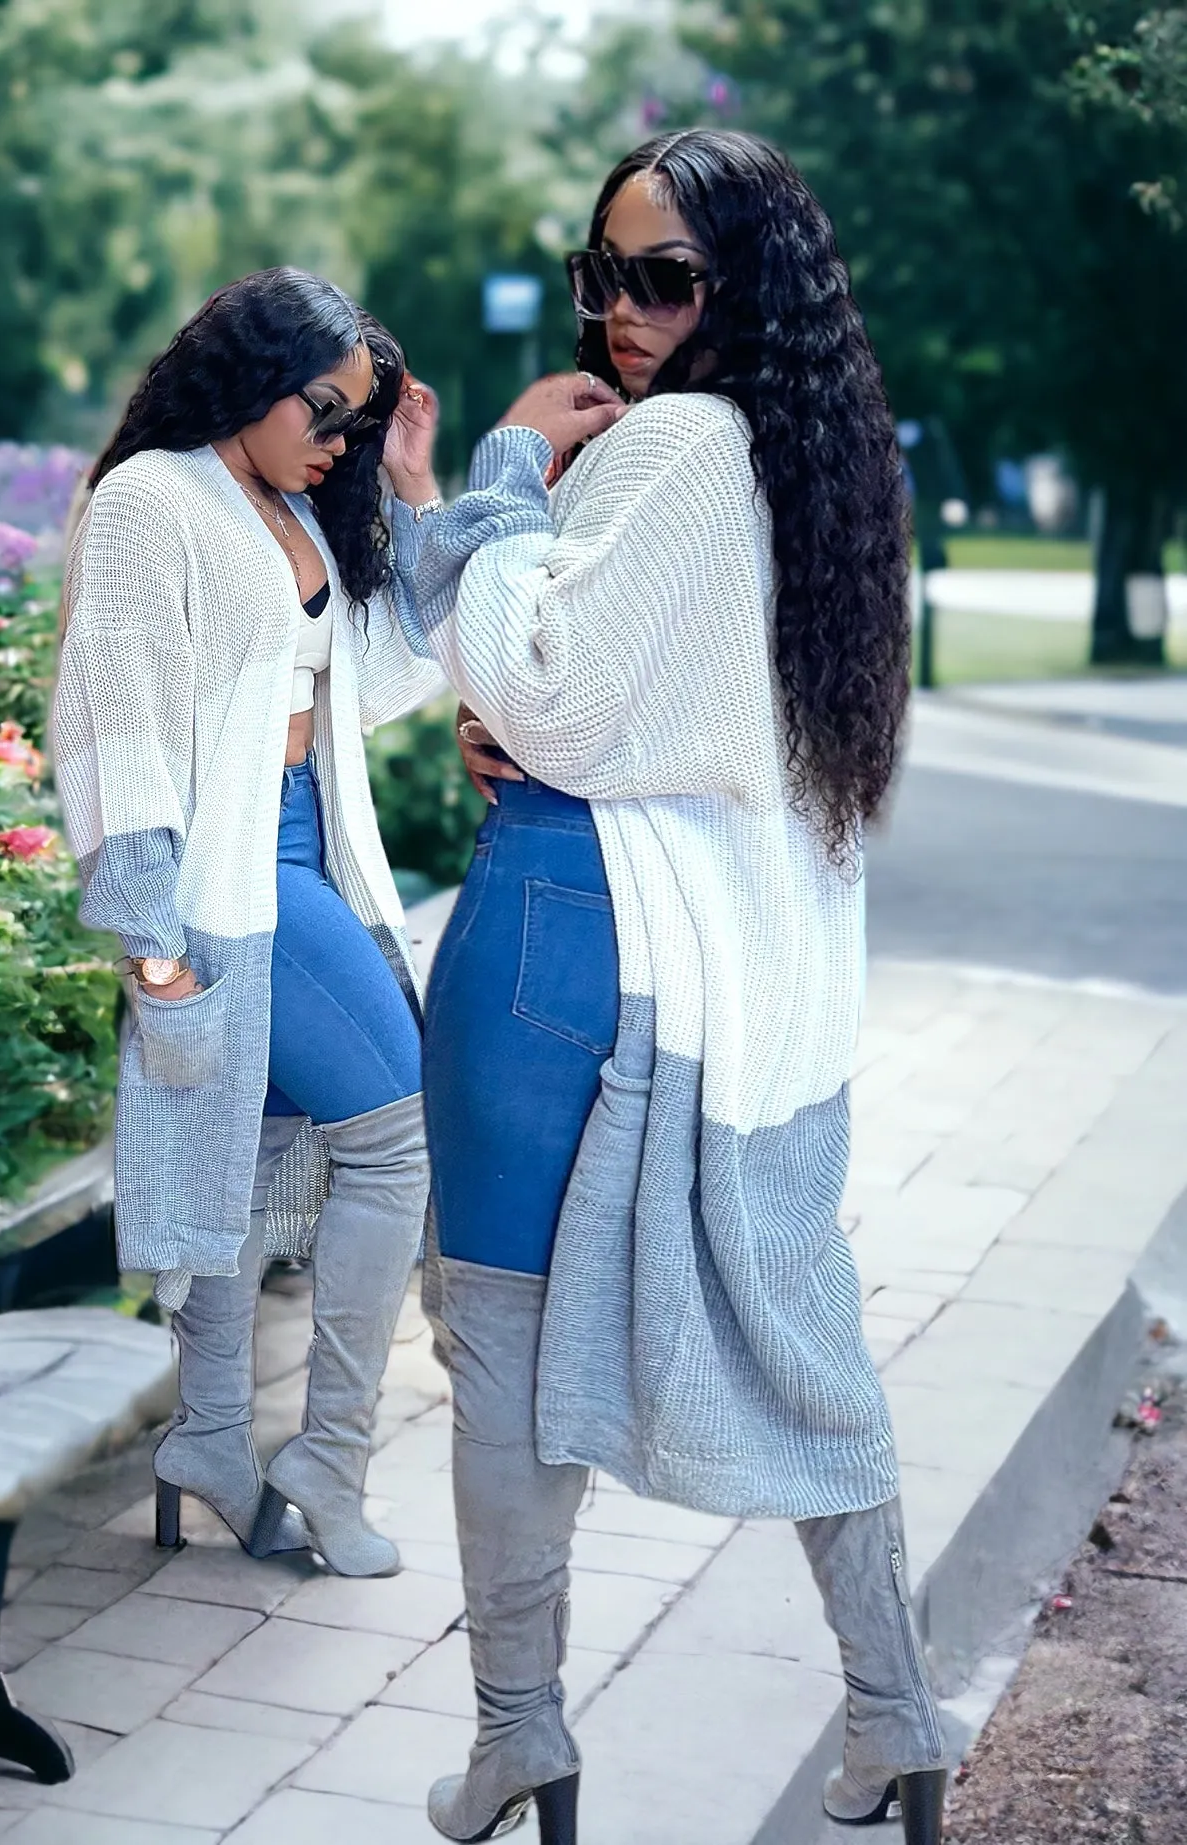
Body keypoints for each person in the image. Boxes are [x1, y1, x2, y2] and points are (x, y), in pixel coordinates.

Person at [400, 132, 947, 1843]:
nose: (623, 315)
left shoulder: (686, 450)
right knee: (803, 1333)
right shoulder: (816, 463)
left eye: (663, 280)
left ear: (744, 287)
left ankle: (522, 1738)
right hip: (691, 952)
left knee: (494, 1340)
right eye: (601, 276)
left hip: (563, 927)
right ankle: (897, 1717)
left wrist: (490, 474)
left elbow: (536, 685)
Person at [51, 267, 449, 1577]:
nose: (333, 437)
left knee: (250, 1150)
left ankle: (217, 1435)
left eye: (352, 418)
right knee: (397, 1141)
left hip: (303, 850)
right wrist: (149, 934)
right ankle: (328, 1458)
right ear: (249, 369)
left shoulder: (295, 507)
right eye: (324, 409)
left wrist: (406, 478)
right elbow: (123, 724)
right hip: (223, 880)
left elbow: (384, 677)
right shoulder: (150, 500)